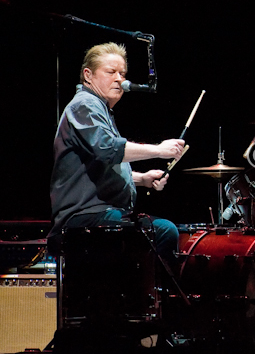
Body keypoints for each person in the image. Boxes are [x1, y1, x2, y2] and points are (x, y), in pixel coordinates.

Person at [47, 42, 185, 270]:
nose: (119, 79)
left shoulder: (99, 108)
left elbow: (97, 165)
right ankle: (147, 302)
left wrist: (141, 179)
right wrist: (160, 150)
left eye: (122, 73)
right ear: (88, 75)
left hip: (98, 215)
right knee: (163, 231)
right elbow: (109, 149)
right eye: (111, 72)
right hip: (84, 219)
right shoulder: (85, 105)